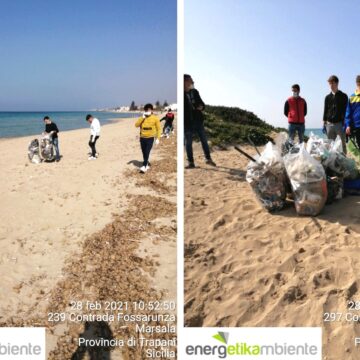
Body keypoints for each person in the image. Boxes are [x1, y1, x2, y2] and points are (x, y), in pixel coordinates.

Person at [184, 74, 216, 168]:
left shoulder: (195, 92)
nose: (192, 83)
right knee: (188, 143)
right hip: (187, 123)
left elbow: (202, 104)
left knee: (204, 140)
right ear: (185, 82)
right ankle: (191, 162)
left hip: (198, 120)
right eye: (191, 81)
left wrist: (201, 107)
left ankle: (208, 159)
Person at [323, 75, 348, 154]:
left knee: (342, 144)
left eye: (332, 83)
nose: (330, 85)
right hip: (329, 124)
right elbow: (325, 110)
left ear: (337, 83)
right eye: (329, 84)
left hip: (340, 124)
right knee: (330, 145)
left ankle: (344, 162)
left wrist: (346, 124)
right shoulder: (327, 97)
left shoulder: (343, 96)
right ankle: (332, 163)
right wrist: (324, 123)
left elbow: (346, 111)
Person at [135, 103, 161, 173]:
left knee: (147, 151)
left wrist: (158, 138)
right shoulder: (142, 117)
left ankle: (144, 165)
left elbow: (159, 129)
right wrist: (142, 118)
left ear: (152, 110)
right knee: (144, 152)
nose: (148, 111)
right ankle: (146, 163)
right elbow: (136, 125)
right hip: (142, 138)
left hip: (150, 138)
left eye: (149, 110)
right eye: (146, 110)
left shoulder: (155, 118)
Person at [345, 75, 360, 148]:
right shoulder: (352, 97)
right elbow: (348, 113)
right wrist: (347, 125)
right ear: (357, 83)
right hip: (356, 127)